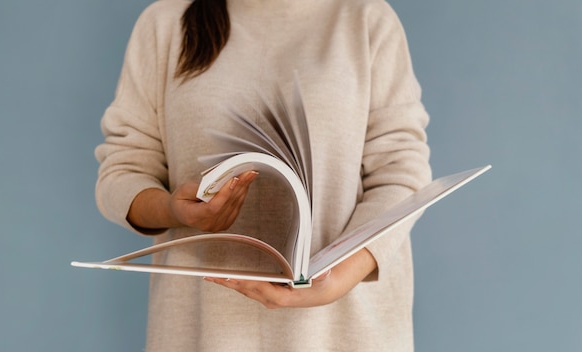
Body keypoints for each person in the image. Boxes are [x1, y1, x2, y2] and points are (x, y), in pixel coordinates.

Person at [95, 0, 431, 350]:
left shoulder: (366, 18)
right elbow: (123, 170)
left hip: (341, 331)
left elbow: (401, 170)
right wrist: (173, 208)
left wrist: (335, 279)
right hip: (204, 332)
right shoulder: (165, 23)